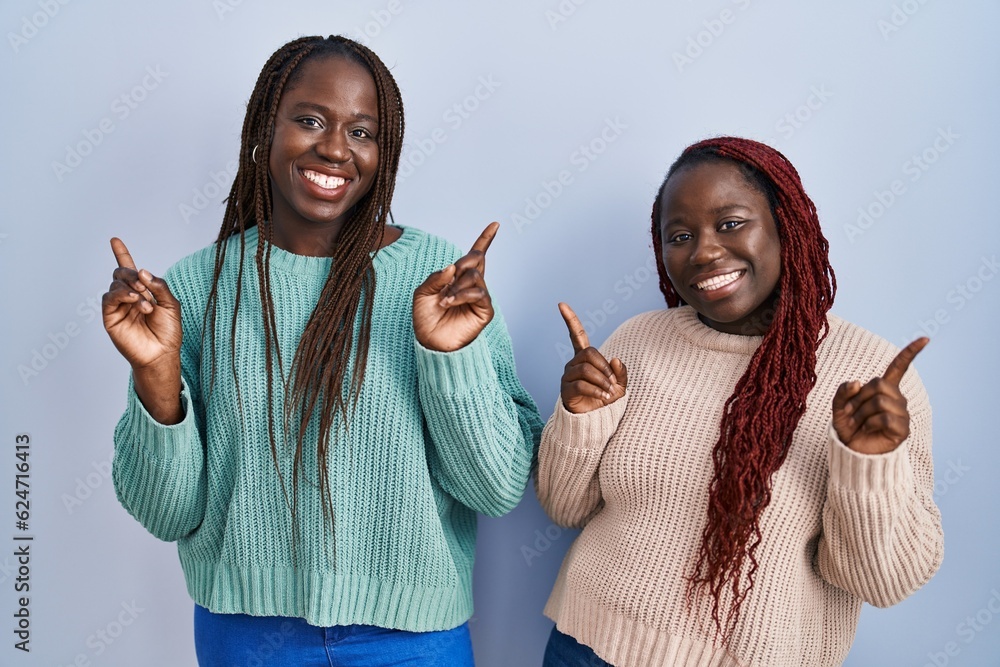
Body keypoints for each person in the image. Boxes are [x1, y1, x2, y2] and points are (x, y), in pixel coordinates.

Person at [102, 35, 542, 666]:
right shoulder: (196, 289)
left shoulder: (438, 281)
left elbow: (496, 489)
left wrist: (452, 359)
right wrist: (155, 374)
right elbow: (166, 513)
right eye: (309, 120)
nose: (335, 148)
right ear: (264, 129)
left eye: (361, 131)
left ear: (383, 153)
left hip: (412, 641)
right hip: (246, 637)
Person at [536, 137, 943, 667]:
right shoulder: (636, 340)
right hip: (586, 646)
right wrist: (580, 418)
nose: (703, 251)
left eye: (730, 223)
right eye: (679, 236)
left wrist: (869, 464)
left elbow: (883, 582)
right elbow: (566, 508)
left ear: (784, 225)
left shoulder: (869, 376)